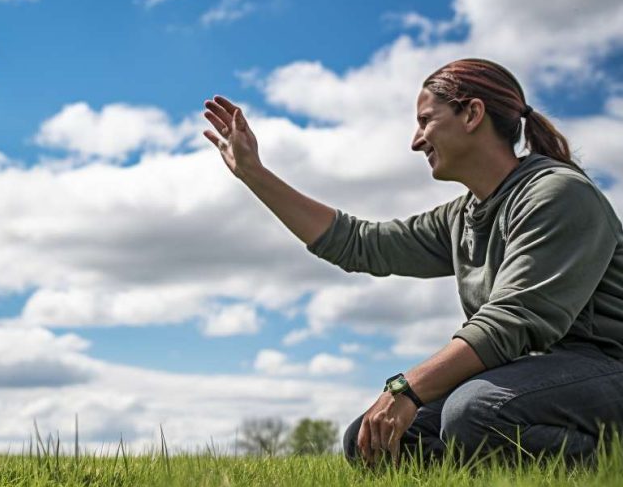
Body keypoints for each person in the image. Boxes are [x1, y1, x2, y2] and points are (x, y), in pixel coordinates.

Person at [203, 58, 623, 465]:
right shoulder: (462, 216)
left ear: (472, 114)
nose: (416, 140)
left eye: (426, 120)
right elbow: (361, 244)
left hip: (605, 371)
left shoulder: (558, 194)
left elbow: (512, 320)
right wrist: (254, 173)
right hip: (535, 382)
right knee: (371, 440)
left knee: (475, 412)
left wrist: (405, 389)